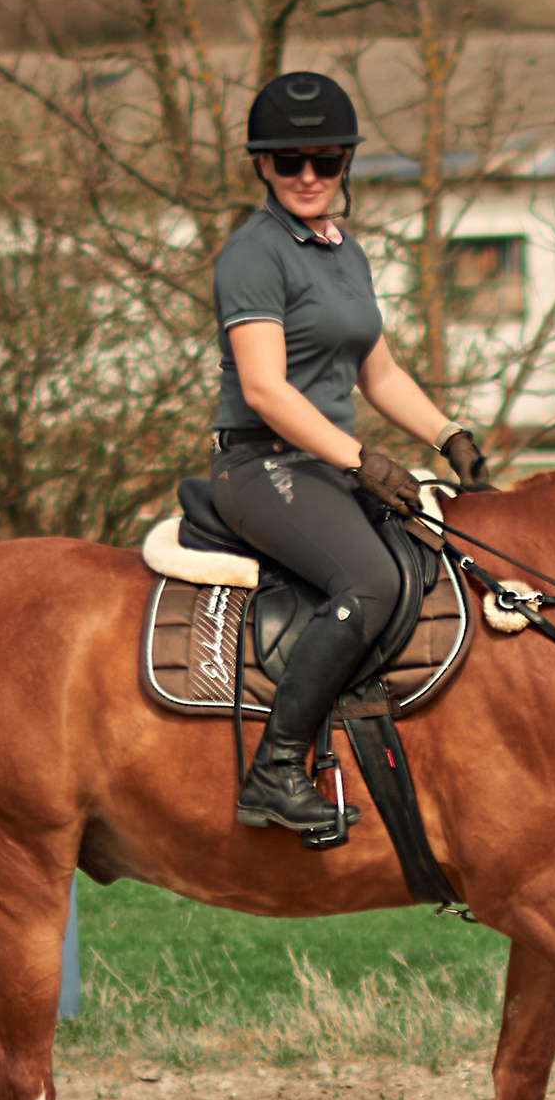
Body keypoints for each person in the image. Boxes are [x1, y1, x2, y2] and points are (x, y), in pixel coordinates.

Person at [209, 71, 490, 833]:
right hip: (261, 465)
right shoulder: (253, 255)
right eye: (289, 160)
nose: (308, 176)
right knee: (366, 579)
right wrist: (361, 460)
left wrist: (447, 435)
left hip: (322, 465)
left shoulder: (344, 252)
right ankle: (274, 770)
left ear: (345, 165)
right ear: (262, 165)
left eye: (326, 161)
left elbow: (380, 371)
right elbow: (266, 391)